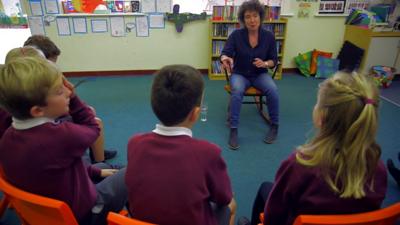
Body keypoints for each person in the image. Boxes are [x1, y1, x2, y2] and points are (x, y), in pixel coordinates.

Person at [239, 71, 387, 225]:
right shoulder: (378, 168)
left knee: (265, 189)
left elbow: (274, 218)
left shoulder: (300, 166)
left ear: (321, 117)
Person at [0, 57, 127, 225]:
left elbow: (58, 169)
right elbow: (93, 127)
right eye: (60, 91)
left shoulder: (8, 137)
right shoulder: (62, 136)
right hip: (87, 213)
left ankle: (104, 171)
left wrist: (96, 172)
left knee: (101, 168)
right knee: (135, 171)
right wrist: (74, 99)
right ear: (37, 110)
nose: (68, 91)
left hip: (47, 213)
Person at [125, 64, 236, 225]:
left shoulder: (134, 143)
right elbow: (223, 197)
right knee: (231, 204)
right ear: (195, 114)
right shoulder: (208, 152)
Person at [23, 35, 117, 163]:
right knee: (95, 122)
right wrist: (71, 98)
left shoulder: (26, 77)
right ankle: (99, 162)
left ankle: (97, 153)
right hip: (47, 123)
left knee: (90, 112)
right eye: (51, 64)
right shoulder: (37, 82)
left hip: (44, 119)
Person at [220, 0, 279, 150]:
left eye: (255, 16)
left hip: (260, 74)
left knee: (272, 90)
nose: (252, 20)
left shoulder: (269, 37)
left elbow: (274, 60)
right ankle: (234, 129)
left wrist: (265, 64)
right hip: (240, 73)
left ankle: (274, 125)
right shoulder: (236, 35)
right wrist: (225, 59)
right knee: (237, 91)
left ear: (260, 17)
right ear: (243, 19)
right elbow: (225, 53)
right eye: (248, 17)